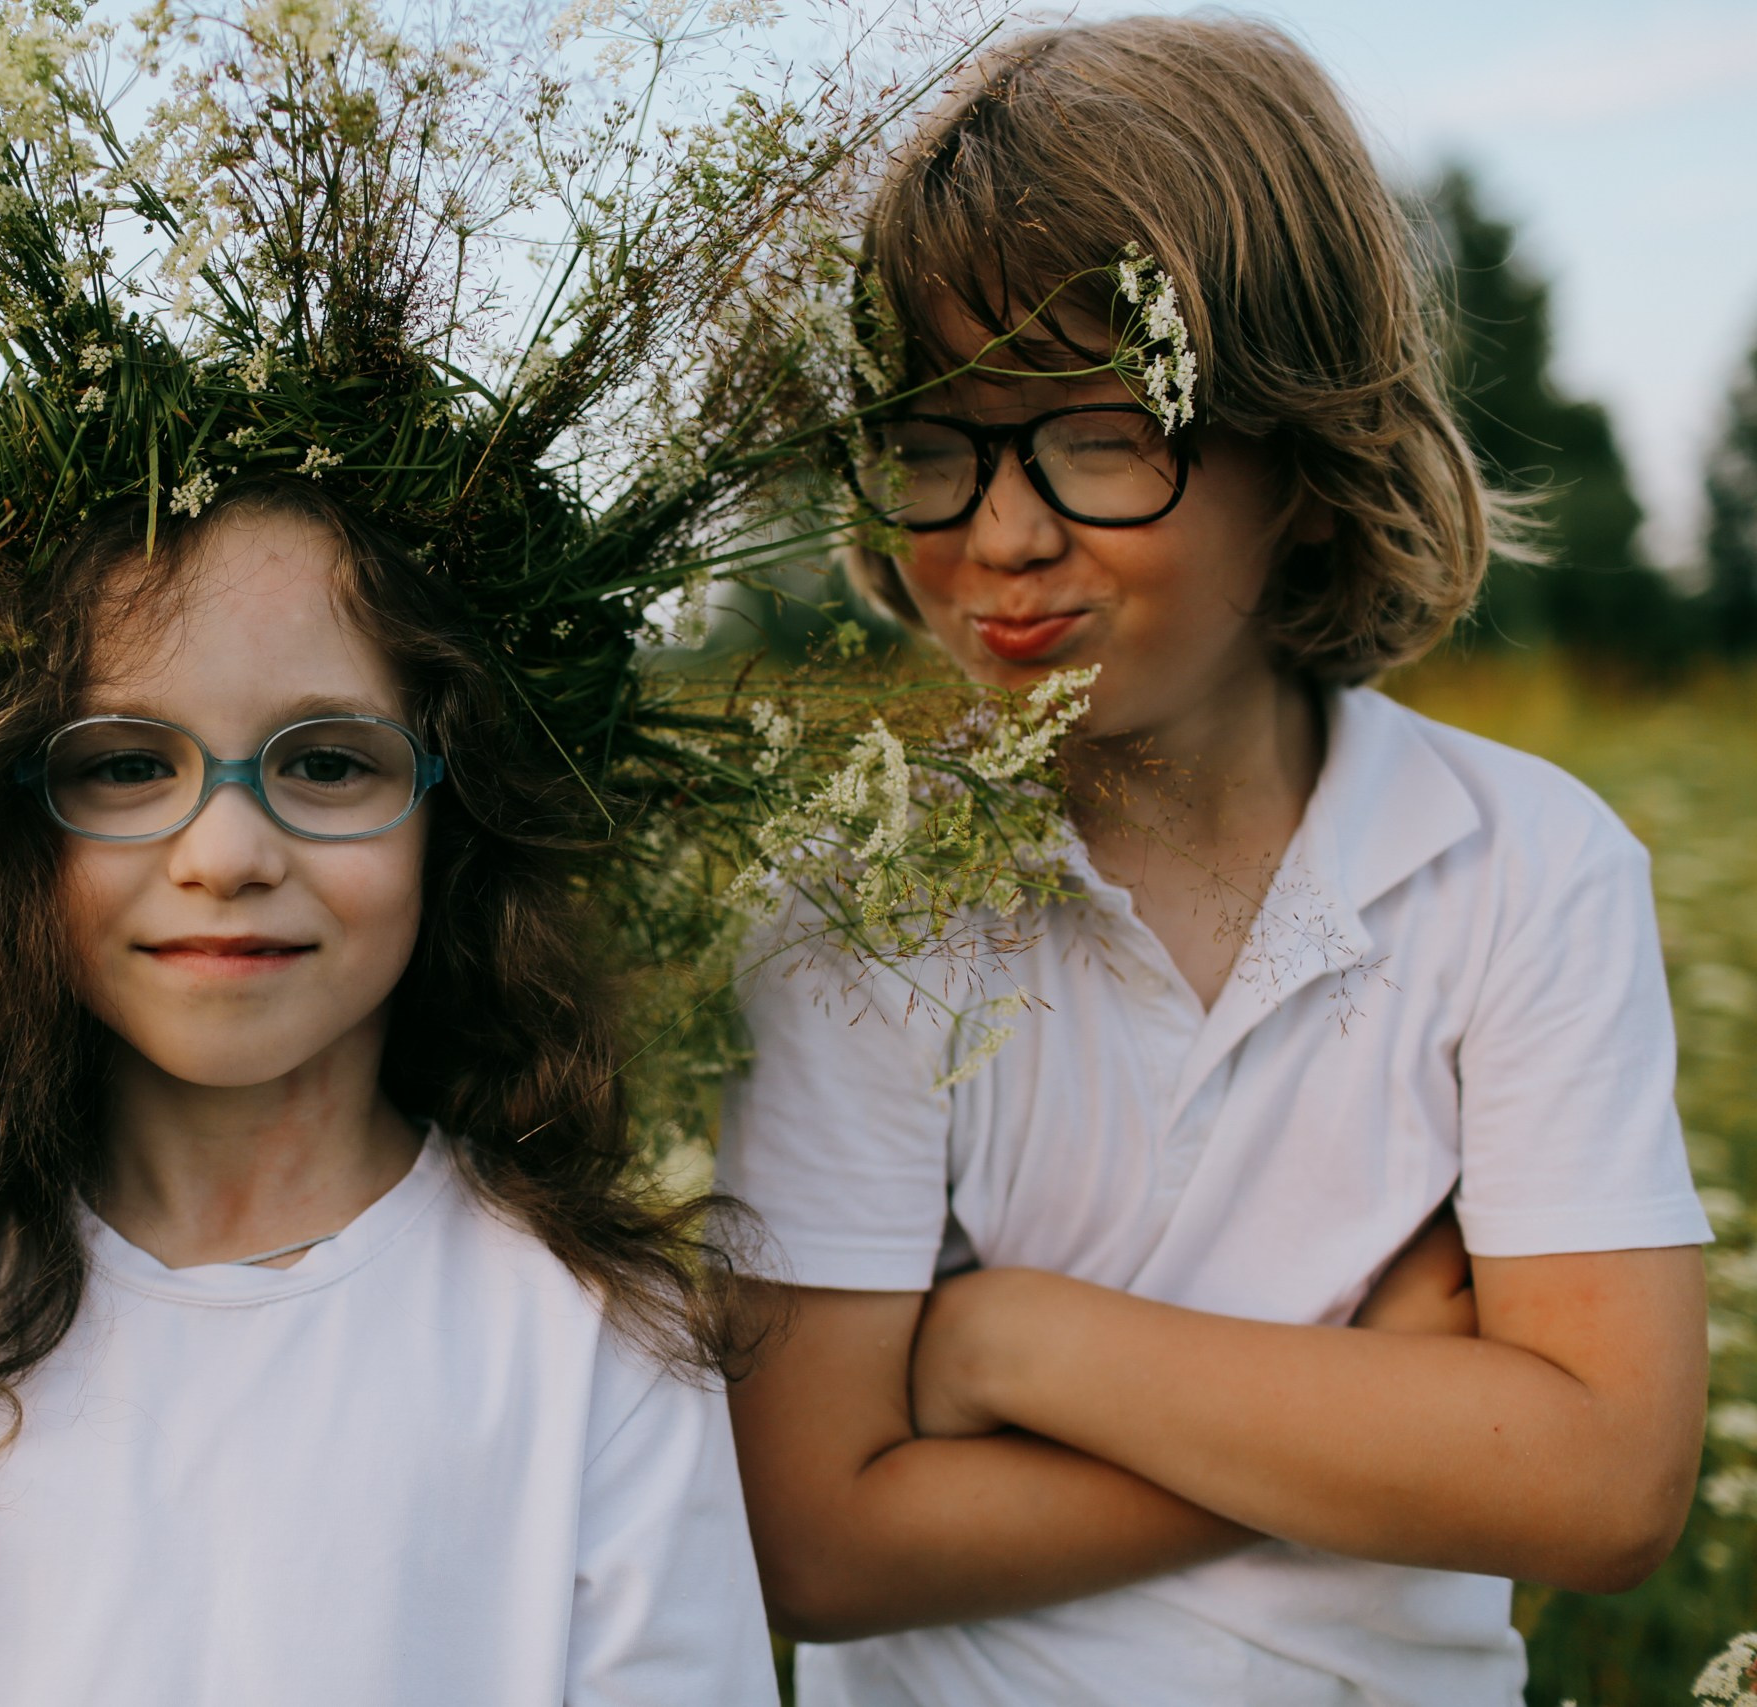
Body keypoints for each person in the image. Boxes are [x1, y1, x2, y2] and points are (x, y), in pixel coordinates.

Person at [718, 15, 1712, 1705]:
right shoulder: (852, 910)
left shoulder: (1527, 866)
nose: (1002, 532)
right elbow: (817, 1537)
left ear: (1306, 455)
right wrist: (1387, 1410)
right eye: (936, 446)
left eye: (1104, 436)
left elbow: (1606, 1485)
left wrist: (1017, 1342)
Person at [0, 483, 777, 1705]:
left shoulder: (592, 1341)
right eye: (129, 765)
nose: (228, 855)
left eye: (330, 763)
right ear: (9, 824)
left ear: (449, 814)